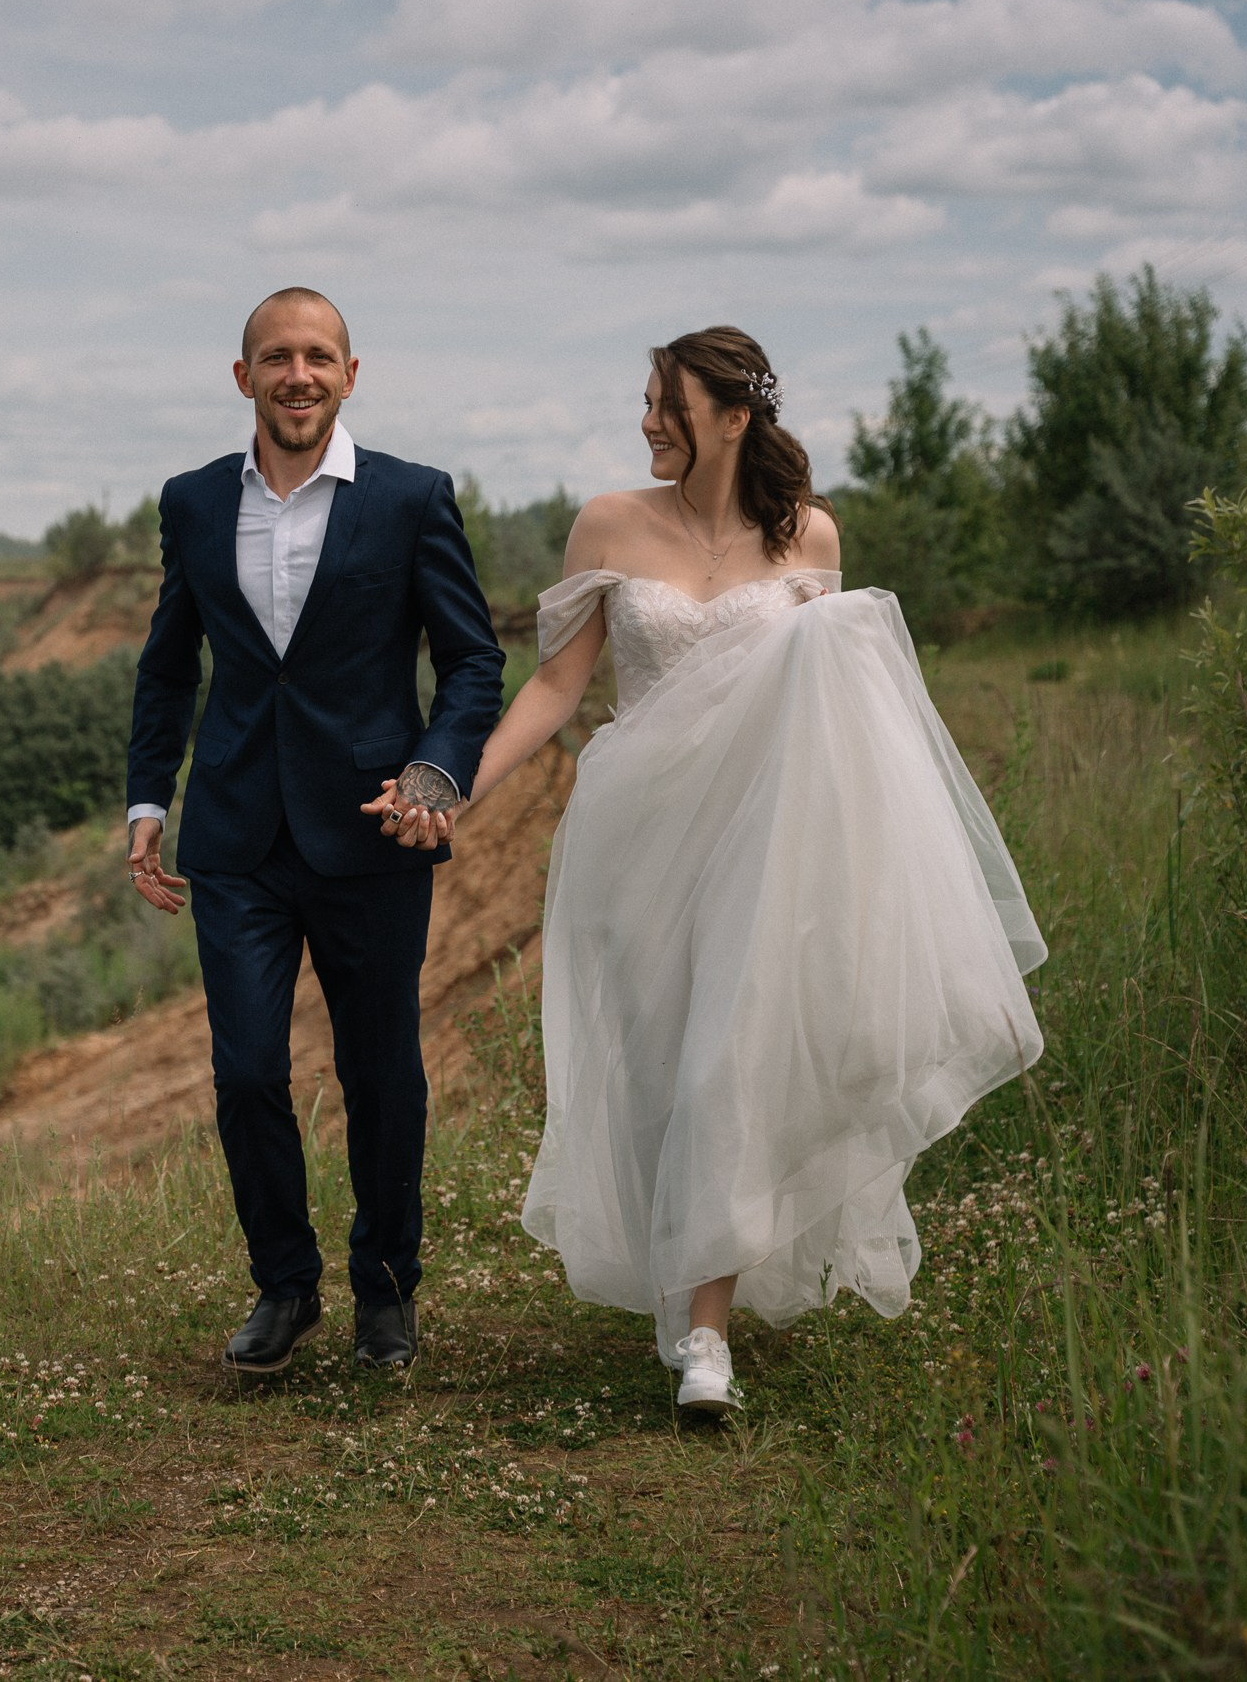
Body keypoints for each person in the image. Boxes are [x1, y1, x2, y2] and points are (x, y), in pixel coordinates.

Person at [375, 326, 1045, 1413]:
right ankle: (684, 1276)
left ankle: (705, 1340)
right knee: (655, 1069)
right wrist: (448, 791)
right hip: (635, 838)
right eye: (644, 401)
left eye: (666, 406)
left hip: (765, 840)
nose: (645, 421)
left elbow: (843, 712)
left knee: (726, 1064)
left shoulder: (812, 539)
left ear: (733, 419)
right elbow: (551, 692)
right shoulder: (606, 523)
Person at [125, 287, 505, 1375]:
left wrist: (435, 773)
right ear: (242, 377)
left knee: (380, 1070)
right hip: (235, 834)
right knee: (246, 1072)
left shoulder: (411, 499)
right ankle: (284, 1288)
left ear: (350, 373)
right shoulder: (193, 503)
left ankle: (386, 1294)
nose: (299, 375)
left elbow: (471, 658)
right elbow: (168, 665)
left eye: (318, 357)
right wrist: (149, 801)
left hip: (373, 832)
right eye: (276, 358)